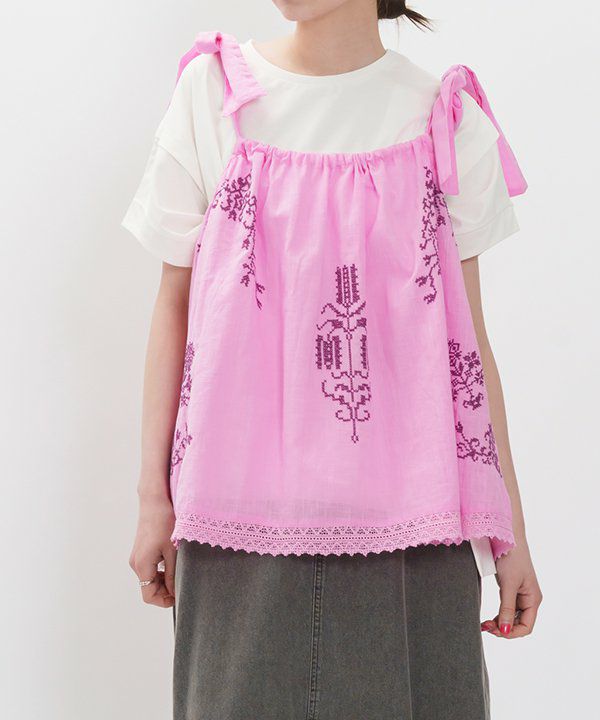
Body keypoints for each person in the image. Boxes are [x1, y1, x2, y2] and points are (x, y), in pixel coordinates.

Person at [123, 1, 542, 717]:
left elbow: (468, 348)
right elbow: (173, 305)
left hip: (418, 529)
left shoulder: (443, 116)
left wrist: (513, 534)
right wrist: (151, 500)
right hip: (235, 521)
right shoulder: (213, 91)